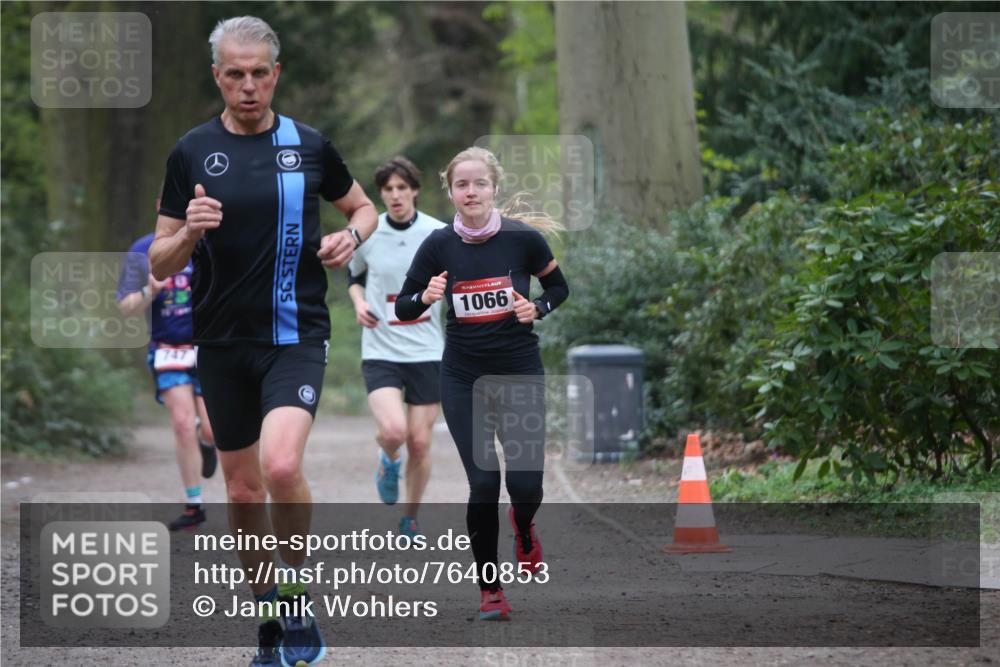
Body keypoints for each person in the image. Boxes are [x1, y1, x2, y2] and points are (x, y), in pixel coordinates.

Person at [149, 16, 377, 667]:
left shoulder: (308, 146)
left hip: (294, 334)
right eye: (234, 73)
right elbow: (159, 264)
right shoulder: (191, 151)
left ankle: (298, 595)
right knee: (244, 491)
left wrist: (351, 238)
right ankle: (271, 619)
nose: (247, 85)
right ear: (217, 75)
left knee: (280, 466)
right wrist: (190, 231)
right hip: (220, 343)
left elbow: (360, 207)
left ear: (275, 74)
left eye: (259, 73)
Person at [395, 146, 569, 620]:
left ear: (495, 187)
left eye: (479, 184)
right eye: (461, 185)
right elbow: (403, 307)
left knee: (527, 485)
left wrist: (538, 308)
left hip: (519, 371)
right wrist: (425, 296)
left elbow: (559, 288)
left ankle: (525, 524)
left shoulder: (523, 240)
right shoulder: (437, 245)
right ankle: (490, 590)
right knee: (485, 481)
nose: (470, 192)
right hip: (463, 376)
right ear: (449, 191)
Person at [347, 157, 446, 538]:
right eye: (388, 189)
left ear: (415, 190)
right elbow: (353, 277)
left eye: (402, 188)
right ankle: (388, 459)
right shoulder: (368, 233)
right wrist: (359, 303)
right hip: (381, 348)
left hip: (426, 351)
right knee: (393, 431)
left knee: (420, 442)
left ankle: (410, 518)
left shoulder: (437, 233)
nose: (395, 195)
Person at [118, 220, 218, 532]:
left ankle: (207, 442)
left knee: (214, 431)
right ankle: (194, 505)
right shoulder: (143, 249)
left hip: (210, 348)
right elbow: (126, 307)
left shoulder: (214, 243)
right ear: (162, 207)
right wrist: (151, 289)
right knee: (182, 423)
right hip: (167, 348)